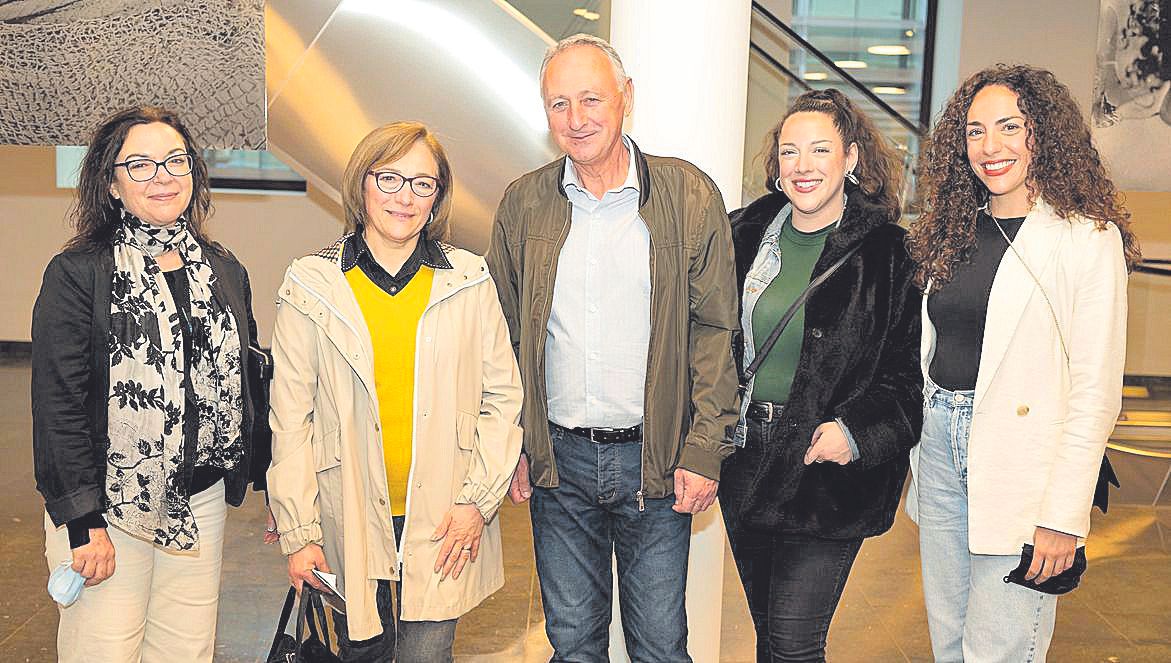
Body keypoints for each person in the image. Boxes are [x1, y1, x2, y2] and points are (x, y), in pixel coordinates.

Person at [486, 34, 740, 662]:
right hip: (559, 466)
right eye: (559, 104)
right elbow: (502, 339)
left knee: (659, 647)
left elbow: (715, 332)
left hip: (654, 464)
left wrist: (705, 447)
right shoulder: (523, 204)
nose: (577, 119)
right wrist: (514, 442)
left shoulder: (689, 196)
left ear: (626, 97)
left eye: (591, 98)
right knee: (571, 646)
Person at [906, 64, 1141, 662]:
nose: (991, 147)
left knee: (1002, 649)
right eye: (975, 131)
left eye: (1009, 127)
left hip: (1024, 467)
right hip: (939, 451)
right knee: (950, 644)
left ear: (1043, 134)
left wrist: (1064, 516)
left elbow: (1094, 393)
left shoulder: (1087, 238)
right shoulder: (950, 231)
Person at [266, 121, 523, 662]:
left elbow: (502, 400)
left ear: (437, 198)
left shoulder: (470, 281)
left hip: (445, 518)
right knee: (362, 652)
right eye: (389, 178)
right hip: (348, 517)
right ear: (361, 184)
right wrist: (299, 530)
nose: (405, 197)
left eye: (422, 183)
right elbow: (291, 420)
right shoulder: (313, 285)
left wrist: (477, 501)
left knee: (427, 655)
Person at [32, 106, 268, 662]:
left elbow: (250, 381)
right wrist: (83, 522)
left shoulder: (222, 269)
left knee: (185, 651)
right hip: (111, 509)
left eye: (175, 161)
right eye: (139, 165)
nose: (162, 176)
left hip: (200, 500)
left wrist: (269, 478)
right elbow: (58, 407)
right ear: (110, 183)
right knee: (104, 650)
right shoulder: (78, 274)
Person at [718, 89, 923, 662]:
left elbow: (910, 375)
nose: (802, 166)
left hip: (825, 469)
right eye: (789, 152)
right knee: (771, 637)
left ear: (851, 158)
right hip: (744, 456)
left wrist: (854, 433)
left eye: (819, 150)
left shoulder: (891, 253)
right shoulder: (741, 235)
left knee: (793, 641)